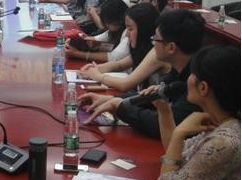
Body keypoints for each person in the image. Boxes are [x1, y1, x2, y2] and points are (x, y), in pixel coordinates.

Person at [155, 45, 240, 180]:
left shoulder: (224, 142)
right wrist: (164, 110)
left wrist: (179, 133)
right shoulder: (220, 123)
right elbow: (176, 156)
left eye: (192, 74)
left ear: (203, 87)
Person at [80, 9, 205, 139]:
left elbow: (163, 125)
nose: (153, 43)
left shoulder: (197, 80)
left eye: (155, 39)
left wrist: (120, 106)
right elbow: (155, 97)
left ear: (171, 48)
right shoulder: (179, 69)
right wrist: (111, 99)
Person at [79, 3, 164, 92]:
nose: (126, 34)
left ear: (144, 30)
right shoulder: (142, 49)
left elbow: (125, 84)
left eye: (130, 29)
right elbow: (119, 65)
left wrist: (98, 76)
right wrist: (96, 69)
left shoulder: (157, 52)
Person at [65, 0, 129, 63]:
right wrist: (83, 39)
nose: (105, 26)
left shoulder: (127, 32)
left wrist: (77, 54)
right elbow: (99, 38)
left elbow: (113, 57)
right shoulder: (116, 30)